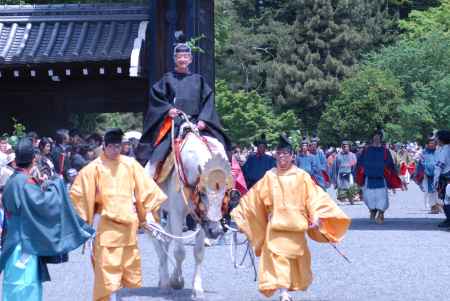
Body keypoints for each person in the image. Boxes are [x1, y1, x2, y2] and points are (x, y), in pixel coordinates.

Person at [231, 134, 350, 301]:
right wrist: (240, 214)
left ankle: (286, 290)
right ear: (276, 155)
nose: (282, 156)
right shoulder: (270, 176)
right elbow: (254, 199)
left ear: (292, 156)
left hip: (296, 227)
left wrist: (315, 217)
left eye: (285, 153)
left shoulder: (301, 176)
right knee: (278, 260)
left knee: (293, 261)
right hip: (276, 227)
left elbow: (313, 198)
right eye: (279, 153)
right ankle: (283, 293)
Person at [70, 128, 168, 301]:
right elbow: (79, 195)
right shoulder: (93, 169)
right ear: (105, 146)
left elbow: (145, 190)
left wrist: (146, 217)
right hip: (106, 227)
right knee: (107, 277)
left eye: (119, 146)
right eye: (113, 147)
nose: (116, 150)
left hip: (129, 226)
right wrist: (86, 224)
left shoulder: (130, 164)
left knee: (130, 273)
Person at [0, 137, 93, 301]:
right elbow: (45, 203)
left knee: (12, 288)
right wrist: (54, 184)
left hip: (12, 242)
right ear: (34, 159)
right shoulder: (26, 182)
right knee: (26, 289)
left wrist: (40, 185)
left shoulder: (12, 181)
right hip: (25, 244)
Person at [136, 31, 230, 168]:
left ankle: (226, 183)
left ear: (190, 59)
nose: (182, 59)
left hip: (197, 125)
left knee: (219, 147)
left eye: (186, 56)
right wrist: (168, 110)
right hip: (174, 125)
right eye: (179, 57)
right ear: (175, 59)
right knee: (156, 158)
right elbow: (156, 97)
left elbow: (208, 101)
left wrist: (204, 119)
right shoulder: (167, 79)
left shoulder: (198, 80)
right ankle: (149, 182)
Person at [356, 129, 402, 224]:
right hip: (369, 178)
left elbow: (390, 164)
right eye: (375, 137)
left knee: (382, 197)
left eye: (378, 137)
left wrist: (391, 174)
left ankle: (381, 213)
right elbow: (360, 163)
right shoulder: (366, 151)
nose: (376, 139)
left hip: (381, 178)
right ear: (372, 139)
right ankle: (373, 210)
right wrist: (361, 173)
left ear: (381, 139)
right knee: (369, 197)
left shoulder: (385, 151)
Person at [414, 136, 440, 214]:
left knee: (439, 191)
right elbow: (420, 164)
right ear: (427, 144)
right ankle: (433, 207)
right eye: (430, 143)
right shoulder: (423, 153)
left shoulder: (439, 152)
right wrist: (420, 174)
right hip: (427, 175)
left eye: (433, 143)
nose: (432, 144)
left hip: (439, 175)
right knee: (430, 191)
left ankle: (439, 205)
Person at [433, 130, 450, 228]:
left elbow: (439, 166)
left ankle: (449, 220)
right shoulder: (444, 148)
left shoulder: (444, 150)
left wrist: (435, 179)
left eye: (437, 137)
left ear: (441, 139)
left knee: (447, 200)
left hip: (446, 177)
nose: (435, 139)